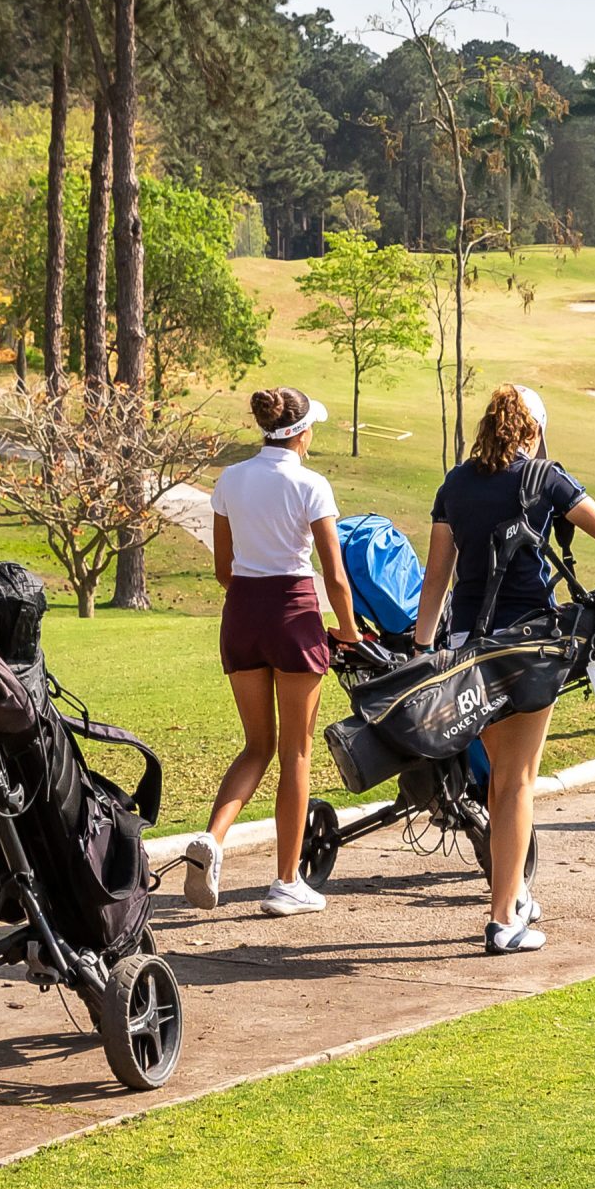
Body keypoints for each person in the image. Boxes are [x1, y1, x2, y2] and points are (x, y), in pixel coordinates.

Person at [416, 385, 595, 954]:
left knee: (502, 780)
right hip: (528, 647)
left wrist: (423, 651)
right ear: (534, 430)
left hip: (467, 648)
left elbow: (437, 576)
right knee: (517, 782)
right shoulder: (544, 477)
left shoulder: (455, 484)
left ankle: (515, 895)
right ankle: (504, 920)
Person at [181, 387, 365, 917]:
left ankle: (212, 839)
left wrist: (252, 598)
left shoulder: (230, 479)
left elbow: (223, 569)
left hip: (241, 614)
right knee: (296, 753)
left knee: (256, 746)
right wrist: (349, 631)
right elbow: (334, 576)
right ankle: (286, 883)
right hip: (294, 615)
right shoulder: (312, 484)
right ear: (300, 433)